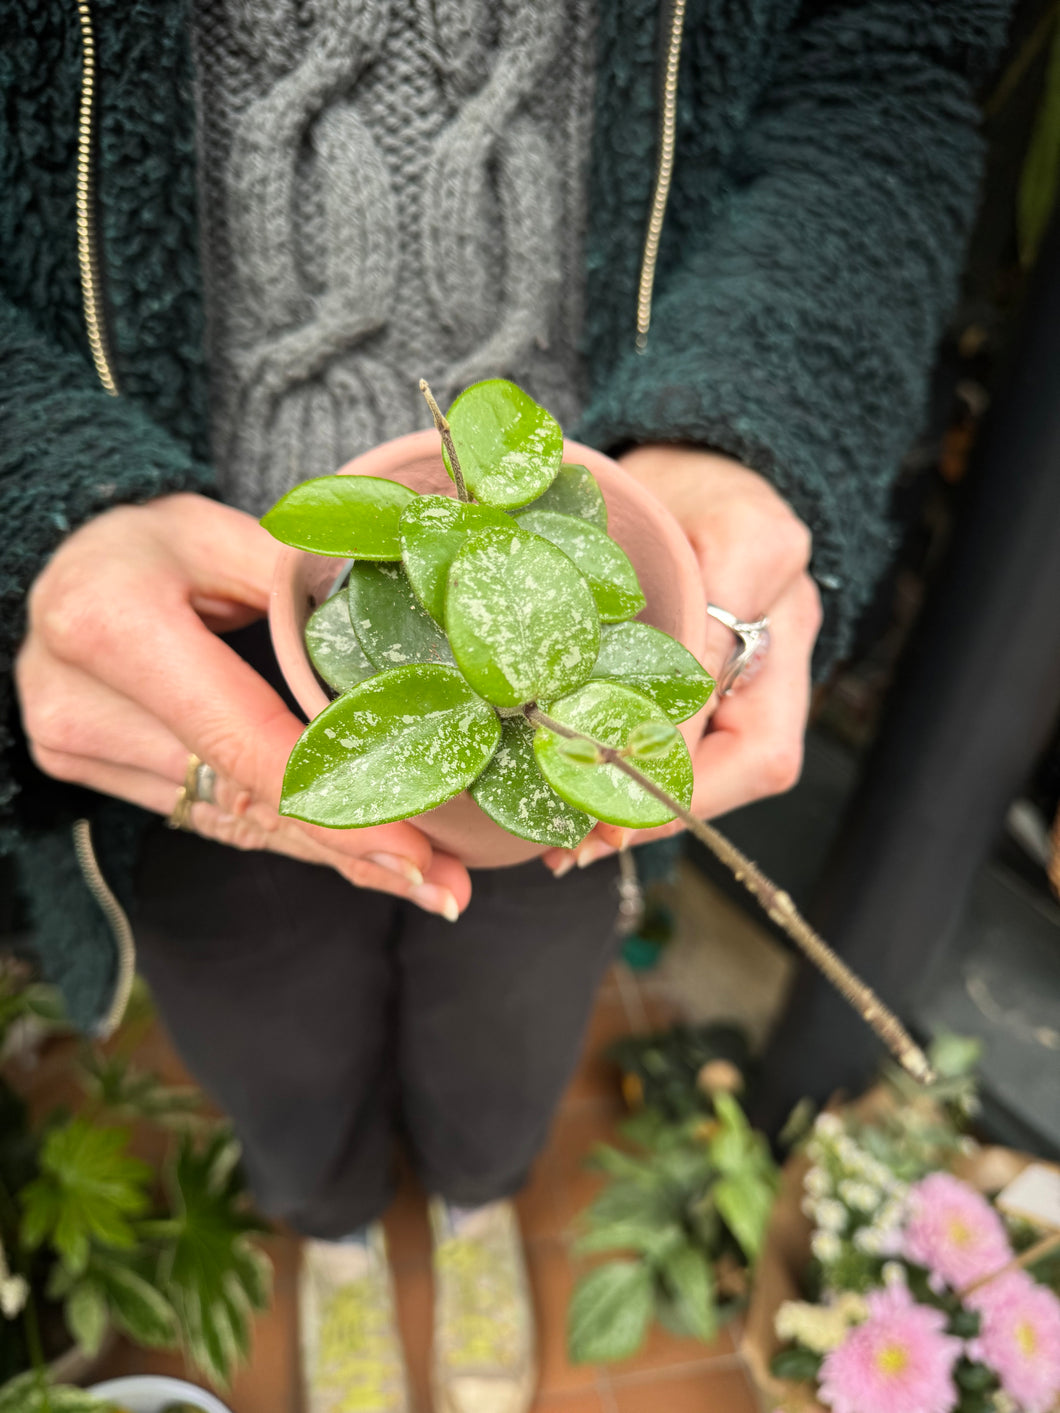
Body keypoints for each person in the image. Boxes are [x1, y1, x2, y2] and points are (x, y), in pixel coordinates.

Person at [2, 1, 1010, 1409]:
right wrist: (29, 495)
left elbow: (885, 62)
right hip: (192, 666)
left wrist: (764, 429)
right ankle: (338, 1231)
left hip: (574, 658)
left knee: (513, 1026)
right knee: (268, 1041)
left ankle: (476, 1206)